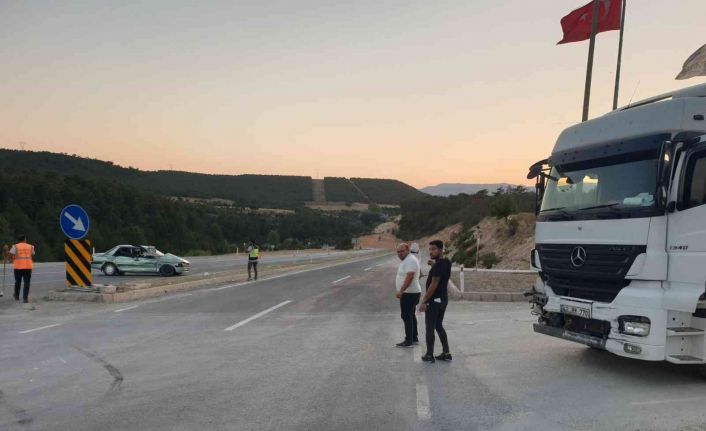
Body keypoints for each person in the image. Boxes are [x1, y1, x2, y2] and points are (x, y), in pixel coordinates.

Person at [418, 240, 452, 363]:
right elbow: (442, 274)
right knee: (438, 325)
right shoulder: (446, 262)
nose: (431, 252)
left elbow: (434, 284)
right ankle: (446, 353)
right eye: (430, 249)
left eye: (434, 249)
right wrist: (433, 265)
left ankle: (429, 355)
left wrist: (424, 300)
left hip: (435, 300)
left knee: (430, 327)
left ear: (441, 250)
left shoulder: (438, 265)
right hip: (443, 299)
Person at [395, 243, 421, 347]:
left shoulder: (410, 260)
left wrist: (401, 290)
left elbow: (410, 276)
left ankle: (409, 340)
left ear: (407, 250)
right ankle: (413, 338)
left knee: (406, 316)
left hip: (409, 293)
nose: (399, 254)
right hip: (411, 292)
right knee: (410, 315)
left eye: (402, 251)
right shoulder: (409, 260)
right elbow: (414, 274)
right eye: (398, 252)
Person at [9, 234, 35, 303]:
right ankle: (25, 298)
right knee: (27, 283)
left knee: (18, 282)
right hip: (28, 267)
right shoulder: (30, 246)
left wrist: (13, 257)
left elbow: (11, 254)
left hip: (18, 267)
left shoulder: (15, 246)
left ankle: (16, 296)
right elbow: (33, 254)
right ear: (25, 239)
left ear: (18, 240)